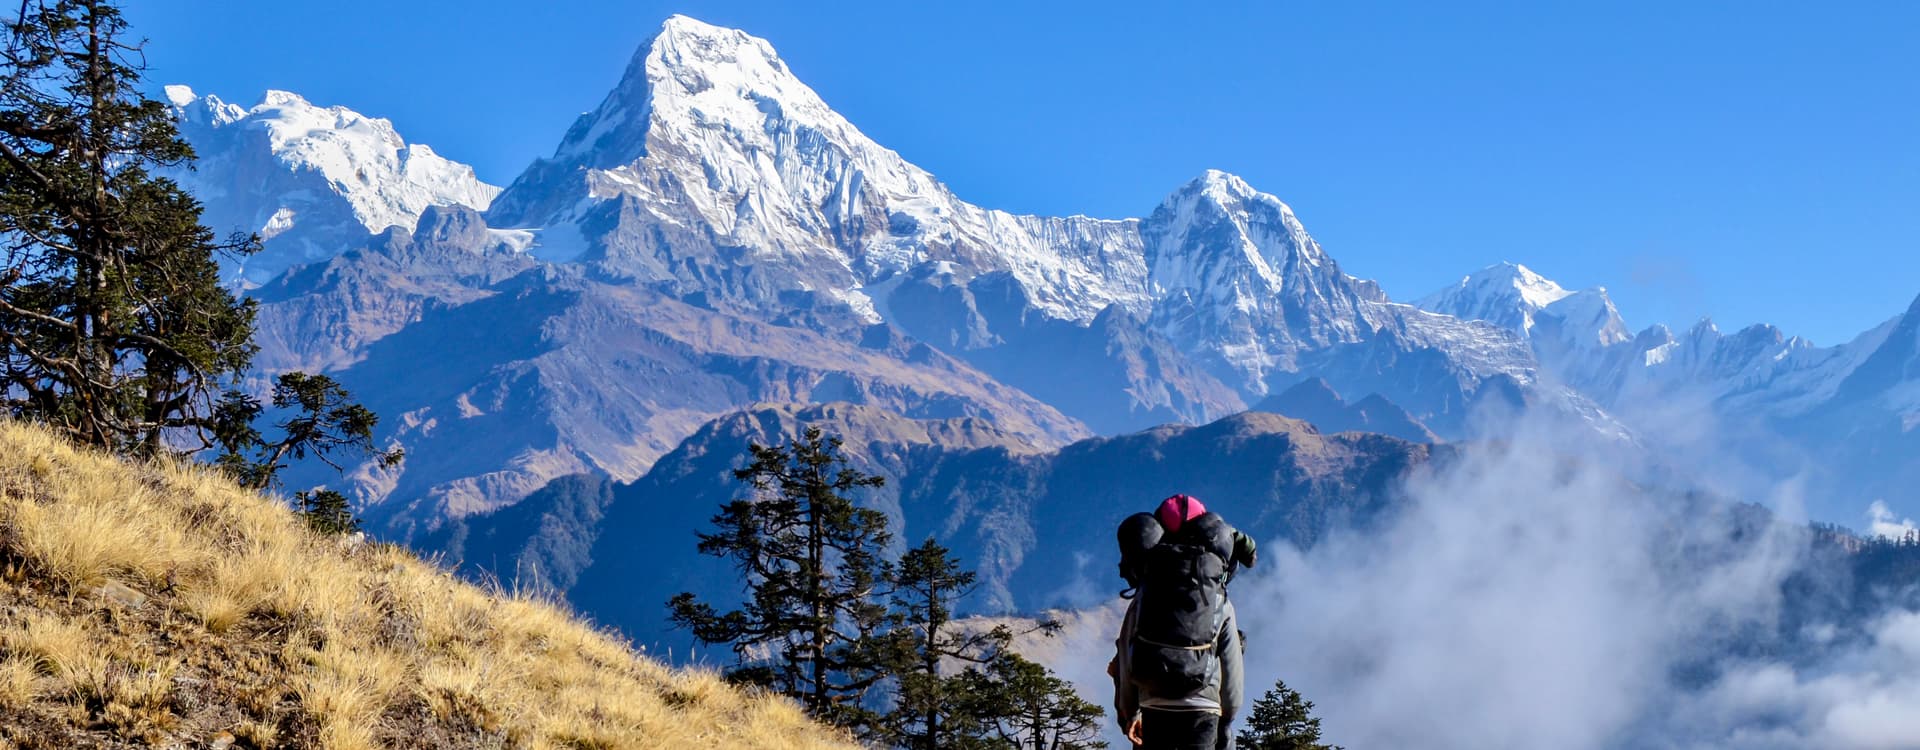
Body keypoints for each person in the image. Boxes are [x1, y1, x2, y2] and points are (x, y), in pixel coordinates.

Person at [1111, 494, 1253, 750]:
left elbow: (1125, 653)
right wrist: (1226, 720)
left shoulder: (1145, 594)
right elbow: (1232, 669)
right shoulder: (1219, 600)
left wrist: (1129, 713)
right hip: (1204, 710)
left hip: (1154, 707)